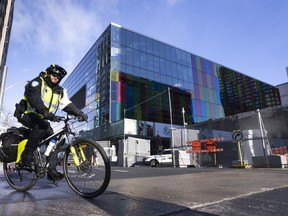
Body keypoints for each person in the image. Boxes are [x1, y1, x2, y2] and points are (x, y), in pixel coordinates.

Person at [14, 64, 88, 181]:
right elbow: (34, 99)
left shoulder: (60, 91)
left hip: (42, 117)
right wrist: (45, 112)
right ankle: (26, 156)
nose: (56, 78)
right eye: (54, 74)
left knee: (55, 139)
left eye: (58, 77)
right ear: (48, 73)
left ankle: (51, 170)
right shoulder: (37, 82)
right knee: (43, 125)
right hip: (26, 114)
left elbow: (67, 105)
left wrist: (79, 113)